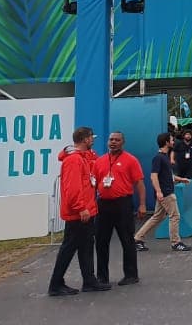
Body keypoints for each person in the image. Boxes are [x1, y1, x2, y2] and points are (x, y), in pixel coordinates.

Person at [48, 126, 109, 296]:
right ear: (85, 139)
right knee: (69, 248)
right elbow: (73, 188)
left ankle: (88, 280)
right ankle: (56, 283)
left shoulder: (80, 158)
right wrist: (81, 208)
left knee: (85, 247)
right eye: (91, 137)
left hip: (85, 211)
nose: (93, 140)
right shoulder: (74, 160)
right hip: (79, 212)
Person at [93, 131, 147, 286]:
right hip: (103, 204)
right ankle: (102, 277)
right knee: (101, 241)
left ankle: (131, 275)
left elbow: (139, 183)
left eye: (117, 140)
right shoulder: (100, 161)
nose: (113, 142)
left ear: (123, 142)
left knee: (127, 240)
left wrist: (142, 204)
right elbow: (94, 184)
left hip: (122, 204)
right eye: (111, 139)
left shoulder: (131, 160)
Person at [134, 133, 192, 252]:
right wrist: (159, 192)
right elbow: (153, 176)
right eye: (171, 140)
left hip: (165, 192)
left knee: (157, 217)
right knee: (175, 216)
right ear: (166, 142)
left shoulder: (163, 157)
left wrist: (181, 179)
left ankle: (138, 238)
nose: (173, 141)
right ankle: (176, 242)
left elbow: (168, 175)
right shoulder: (159, 158)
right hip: (166, 193)